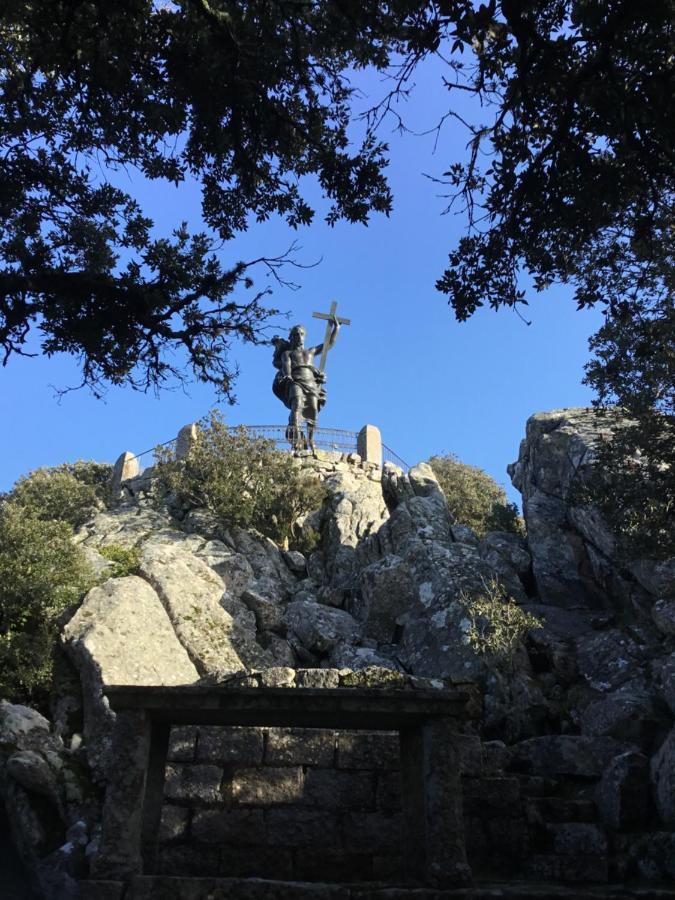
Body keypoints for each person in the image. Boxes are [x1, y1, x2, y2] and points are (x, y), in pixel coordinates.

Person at [272, 317, 340, 451]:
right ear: (291, 337)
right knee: (297, 406)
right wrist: (288, 376)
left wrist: (336, 328)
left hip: (311, 383)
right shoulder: (287, 353)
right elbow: (286, 365)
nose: (299, 336)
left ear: (305, 336)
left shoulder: (311, 352)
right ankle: (296, 441)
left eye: (301, 334)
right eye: (296, 334)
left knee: (313, 411)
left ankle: (311, 440)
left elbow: (329, 344)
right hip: (296, 382)